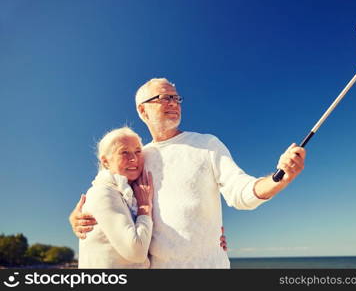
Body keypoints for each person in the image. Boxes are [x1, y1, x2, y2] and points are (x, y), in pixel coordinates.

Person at [70, 78, 306, 268]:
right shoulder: (140, 157)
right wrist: (78, 217)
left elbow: (240, 192)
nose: (174, 103)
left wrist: (279, 178)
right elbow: (113, 196)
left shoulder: (207, 144)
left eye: (176, 98)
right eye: (164, 98)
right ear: (143, 111)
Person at [77, 127, 154, 268]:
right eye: (124, 152)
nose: (134, 159)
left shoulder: (127, 193)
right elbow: (136, 253)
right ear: (105, 161)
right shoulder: (102, 193)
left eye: (138, 151)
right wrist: (145, 207)